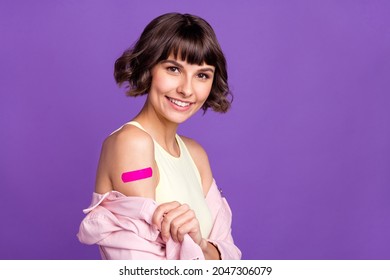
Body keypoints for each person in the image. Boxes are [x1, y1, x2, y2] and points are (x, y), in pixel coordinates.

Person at [77, 12, 241, 260]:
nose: (186, 89)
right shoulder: (132, 143)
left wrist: (200, 243)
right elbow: (147, 263)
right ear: (149, 67)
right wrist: (204, 249)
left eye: (202, 75)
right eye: (174, 69)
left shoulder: (195, 155)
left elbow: (229, 256)